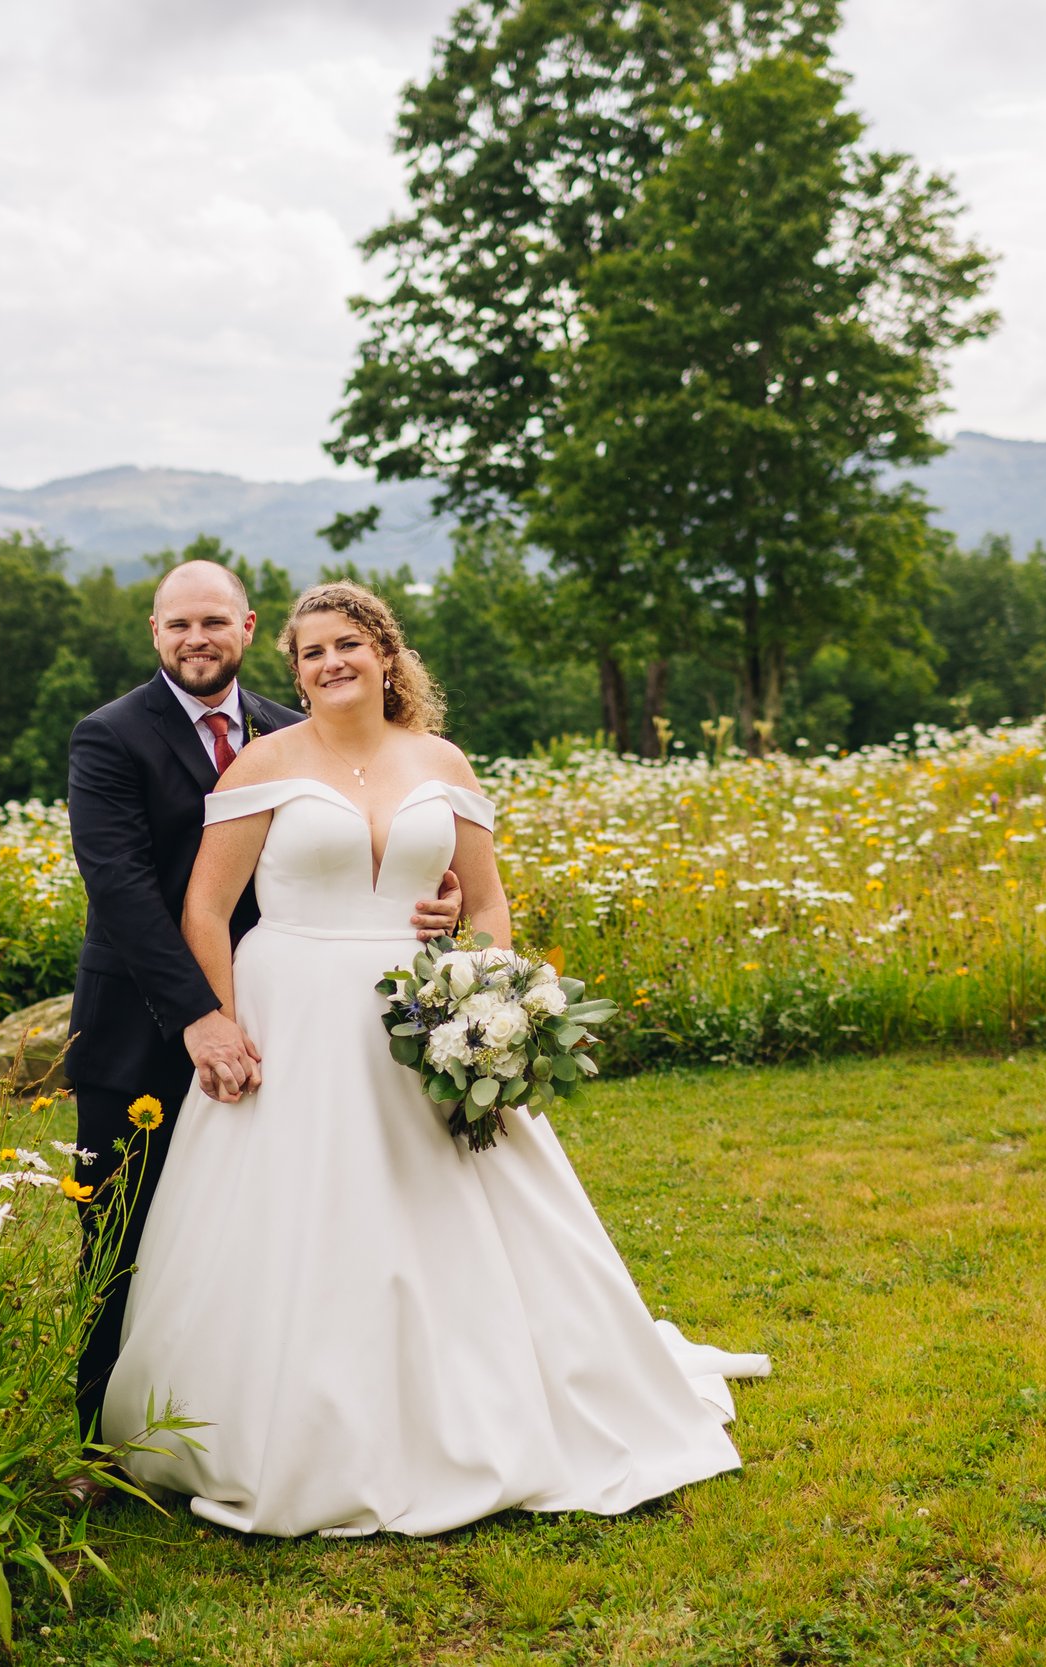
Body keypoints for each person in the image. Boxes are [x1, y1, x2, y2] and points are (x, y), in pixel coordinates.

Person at [98, 580, 768, 1537]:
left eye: (347, 645)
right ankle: (300, 1421)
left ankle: (489, 1400)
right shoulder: (260, 763)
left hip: (417, 1017)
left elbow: (486, 901)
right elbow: (206, 907)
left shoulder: (442, 761)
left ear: (386, 654)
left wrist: (483, 996)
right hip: (291, 1014)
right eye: (311, 652)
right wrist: (223, 1021)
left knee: (454, 1214)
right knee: (305, 1224)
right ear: (294, 667)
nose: (330, 663)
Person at [65, 561, 463, 1446]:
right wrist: (204, 1014)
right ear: (155, 634)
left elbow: (356, 851)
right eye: (177, 626)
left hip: (286, 1024)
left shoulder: (297, 733)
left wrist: (441, 898)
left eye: (213, 622)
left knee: (275, 1223)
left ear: (248, 631)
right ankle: (98, 1433)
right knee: (122, 1230)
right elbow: (125, 890)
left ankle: (281, 1405)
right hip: (146, 1017)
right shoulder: (108, 737)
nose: (195, 639)